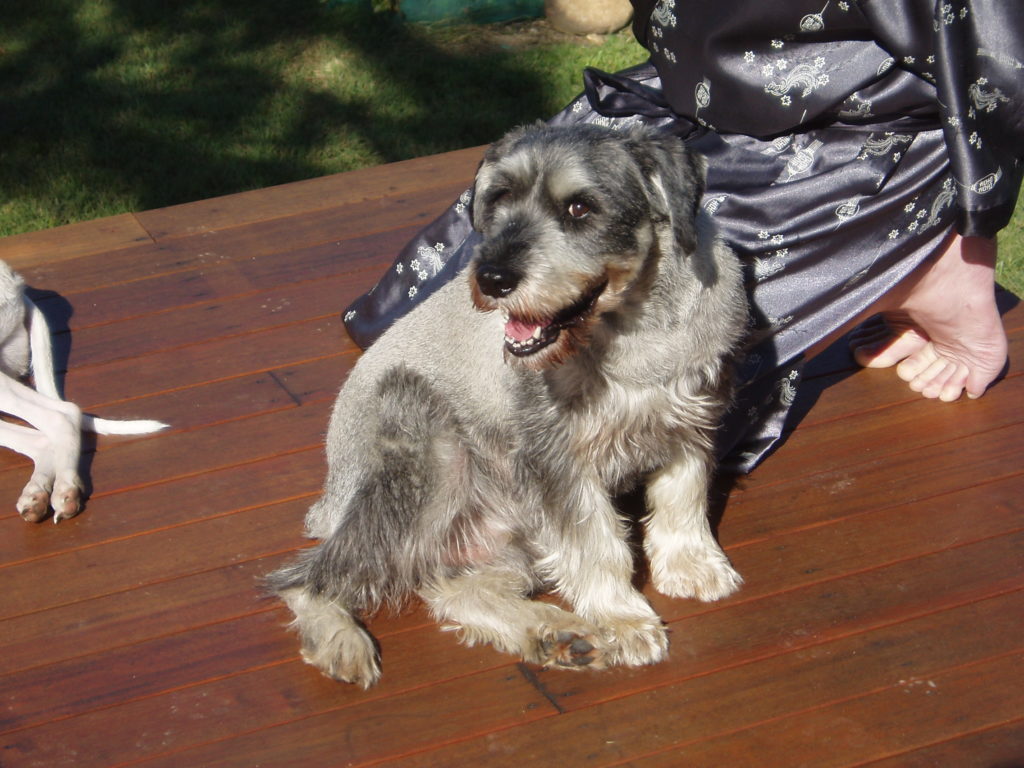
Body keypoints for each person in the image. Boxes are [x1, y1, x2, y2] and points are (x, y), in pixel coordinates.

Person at [342, 0, 1022, 472]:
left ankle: (933, 261)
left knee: (647, 407)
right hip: (698, 93)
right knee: (433, 320)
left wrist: (976, 227)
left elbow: (995, 48)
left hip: (868, 132)